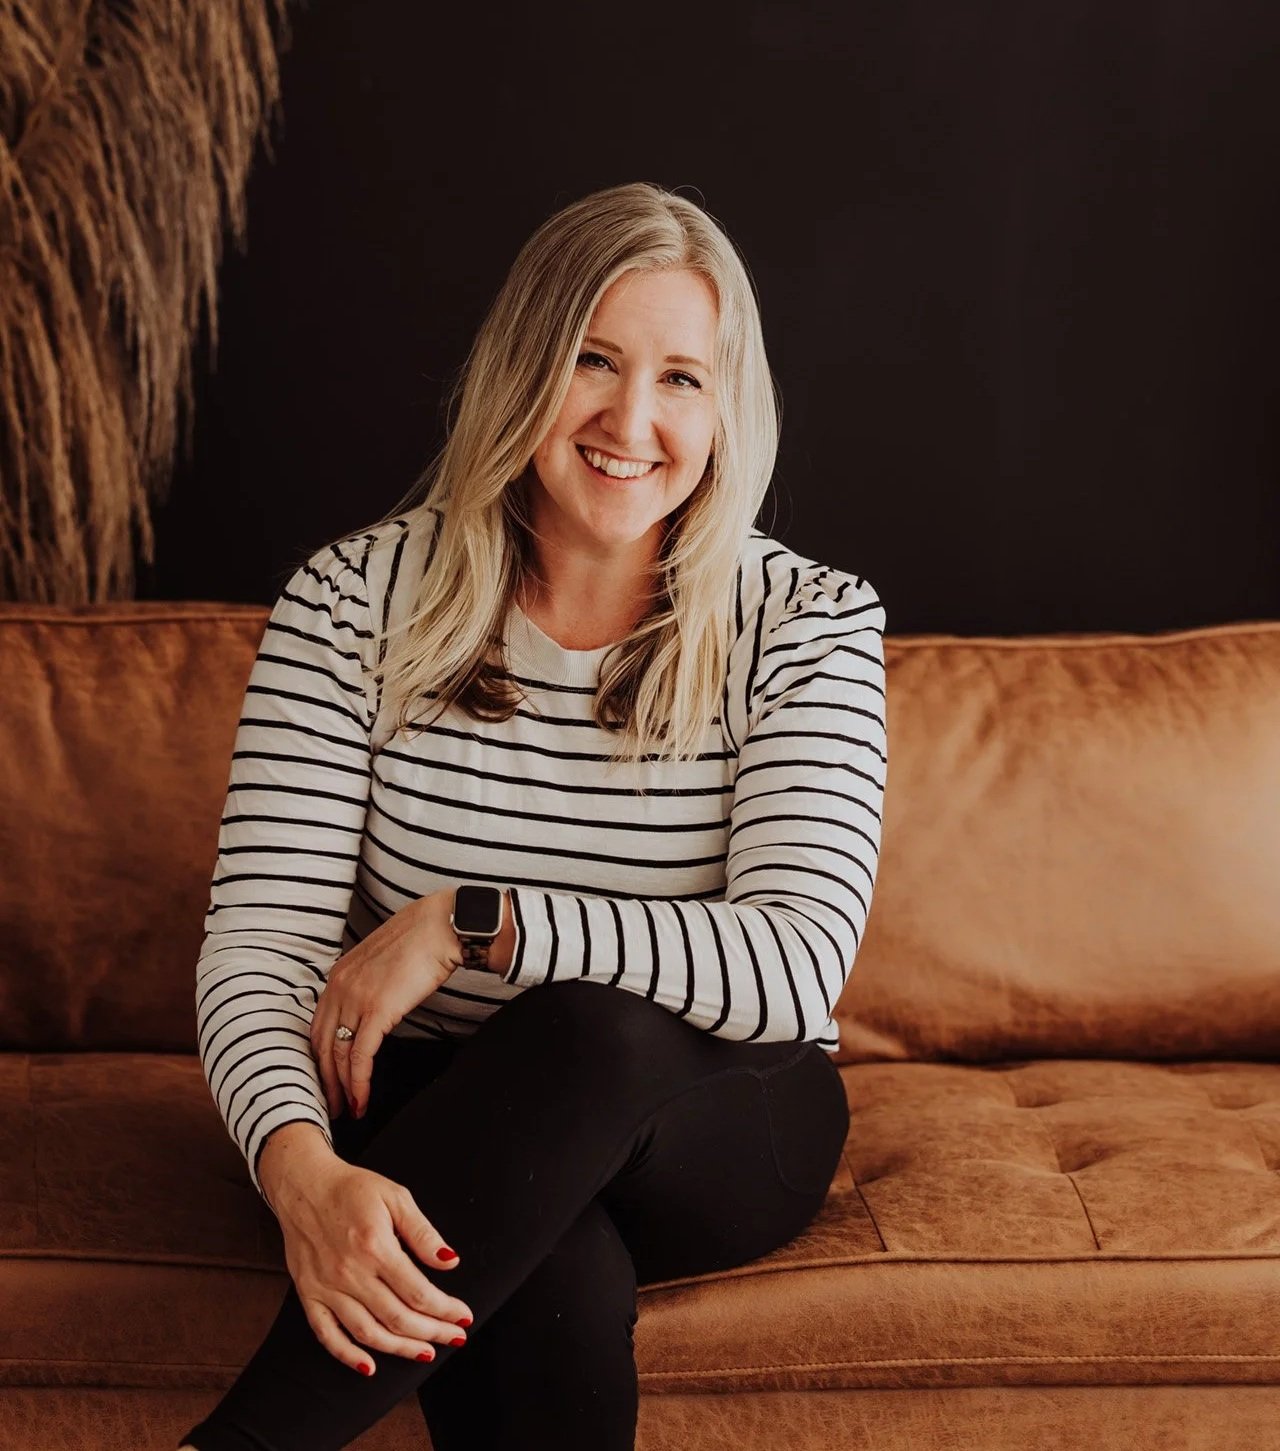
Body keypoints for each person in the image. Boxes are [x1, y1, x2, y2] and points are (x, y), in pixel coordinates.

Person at [179, 180, 887, 1451]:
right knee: (538, 1263)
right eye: (592, 359)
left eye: (681, 376)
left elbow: (794, 962)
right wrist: (299, 1170)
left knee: (591, 1030)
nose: (631, 419)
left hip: (719, 1114)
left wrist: (472, 921)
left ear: (727, 407)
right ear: (523, 366)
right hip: (437, 1116)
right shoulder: (350, 600)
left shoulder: (806, 621)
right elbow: (263, 945)